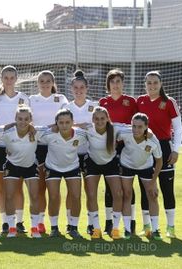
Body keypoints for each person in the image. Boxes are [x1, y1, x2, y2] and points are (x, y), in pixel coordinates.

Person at [136, 71, 182, 238]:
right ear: (145, 84)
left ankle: (171, 228)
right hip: (144, 149)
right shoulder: (140, 101)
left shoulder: (169, 102)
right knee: (145, 189)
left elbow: (178, 128)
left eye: (155, 82)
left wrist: (176, 149)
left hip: (164, 148)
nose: (152, 86)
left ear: (161, 83)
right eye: (149, 83)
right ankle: (147, 227)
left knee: (166, 189)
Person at [99, 69, 138, 235]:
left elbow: (138, 124)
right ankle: (109, 222)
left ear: (123, 83)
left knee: (128, 186)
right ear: (108, 84)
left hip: (128, 147)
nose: (115, 85)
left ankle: (132, 222)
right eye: (112, 81)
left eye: (118, 81)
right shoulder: (102, 102)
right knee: (110, 185)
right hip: (109, 146)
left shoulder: (131, 101)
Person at [28, 70, 68, 234]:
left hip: (55, 146)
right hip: (36, 147)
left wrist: (54, 127)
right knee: (38, 187)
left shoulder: (61, 99)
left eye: (48, 81)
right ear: (37, 83)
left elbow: (66, 118)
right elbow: (24, 119)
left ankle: (54, 223)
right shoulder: (32, 99)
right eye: (41, 81)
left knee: (53, 188)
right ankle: (38, 222)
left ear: (53, 82)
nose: (45, 84)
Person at [0, 65, 30, 235]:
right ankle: (6, 222)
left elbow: (29, 122)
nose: (8, 80)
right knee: (2, 187)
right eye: (5, 77)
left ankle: (19, 221)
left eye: (11, 77)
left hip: (20, 146)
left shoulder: (23, 98)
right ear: (1, 79)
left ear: (16, 79)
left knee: (17, 186)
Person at [39, 109, 87, 238]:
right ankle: (54, 228)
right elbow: (33, 131)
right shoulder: (48, 134)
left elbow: (94, 129)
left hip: (72, 167)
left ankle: (73, 227)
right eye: (61, 122)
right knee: (53, 197)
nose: (64, 125)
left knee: (76, 196)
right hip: (52, 167)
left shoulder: (81, 135)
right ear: (56, 123)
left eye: (67, 122)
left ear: (72, 122)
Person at [62, 70, 98, 235]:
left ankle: (92, 224)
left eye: (81, 87)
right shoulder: (66, 107)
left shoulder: (95, 106)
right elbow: (64, 127)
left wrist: (79, 126)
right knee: (72, 192)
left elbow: (98, 126)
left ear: (87, 88)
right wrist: (82, 126)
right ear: (71, 89)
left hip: (90, 154)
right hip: (71, 155)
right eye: (75, 87)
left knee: (90, 191)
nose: (78, 90)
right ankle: (71, 223)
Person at [117, 113, 163, 240]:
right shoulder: (124, 132)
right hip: (126, 165)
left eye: (140, 127)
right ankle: (126, 230)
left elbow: (159, 161)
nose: (136, 130)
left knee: (152, 196)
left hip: (146, 167)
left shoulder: (153, 140)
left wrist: (154, 182)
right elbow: (111, 129)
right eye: (134, 126)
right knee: (127, 195)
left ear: (146, 127)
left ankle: (155, 230)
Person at [2, 106, 46, 238]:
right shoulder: (7, 133)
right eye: (20, 119)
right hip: (12, 165)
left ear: (31, 119)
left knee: (34, 196)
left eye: (26, 119)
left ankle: (34, 228)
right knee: (9, 196)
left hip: (30, 166)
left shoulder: (36, 132)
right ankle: (11, 228)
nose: (23, 122)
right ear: (15, 119)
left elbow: (55, 128)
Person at [83, 107, 124, 239]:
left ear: (107, 118)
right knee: (91, 194)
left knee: (118, 194)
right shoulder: (88, 129)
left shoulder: (116, 128)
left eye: (102, 118)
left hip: (111, 164)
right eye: (96, 119)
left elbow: (136, 129)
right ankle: (96, 228)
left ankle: (116, 228)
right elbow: (68, 127)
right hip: (92, 163)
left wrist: (148, 134)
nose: (99, 121)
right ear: (92, 119)